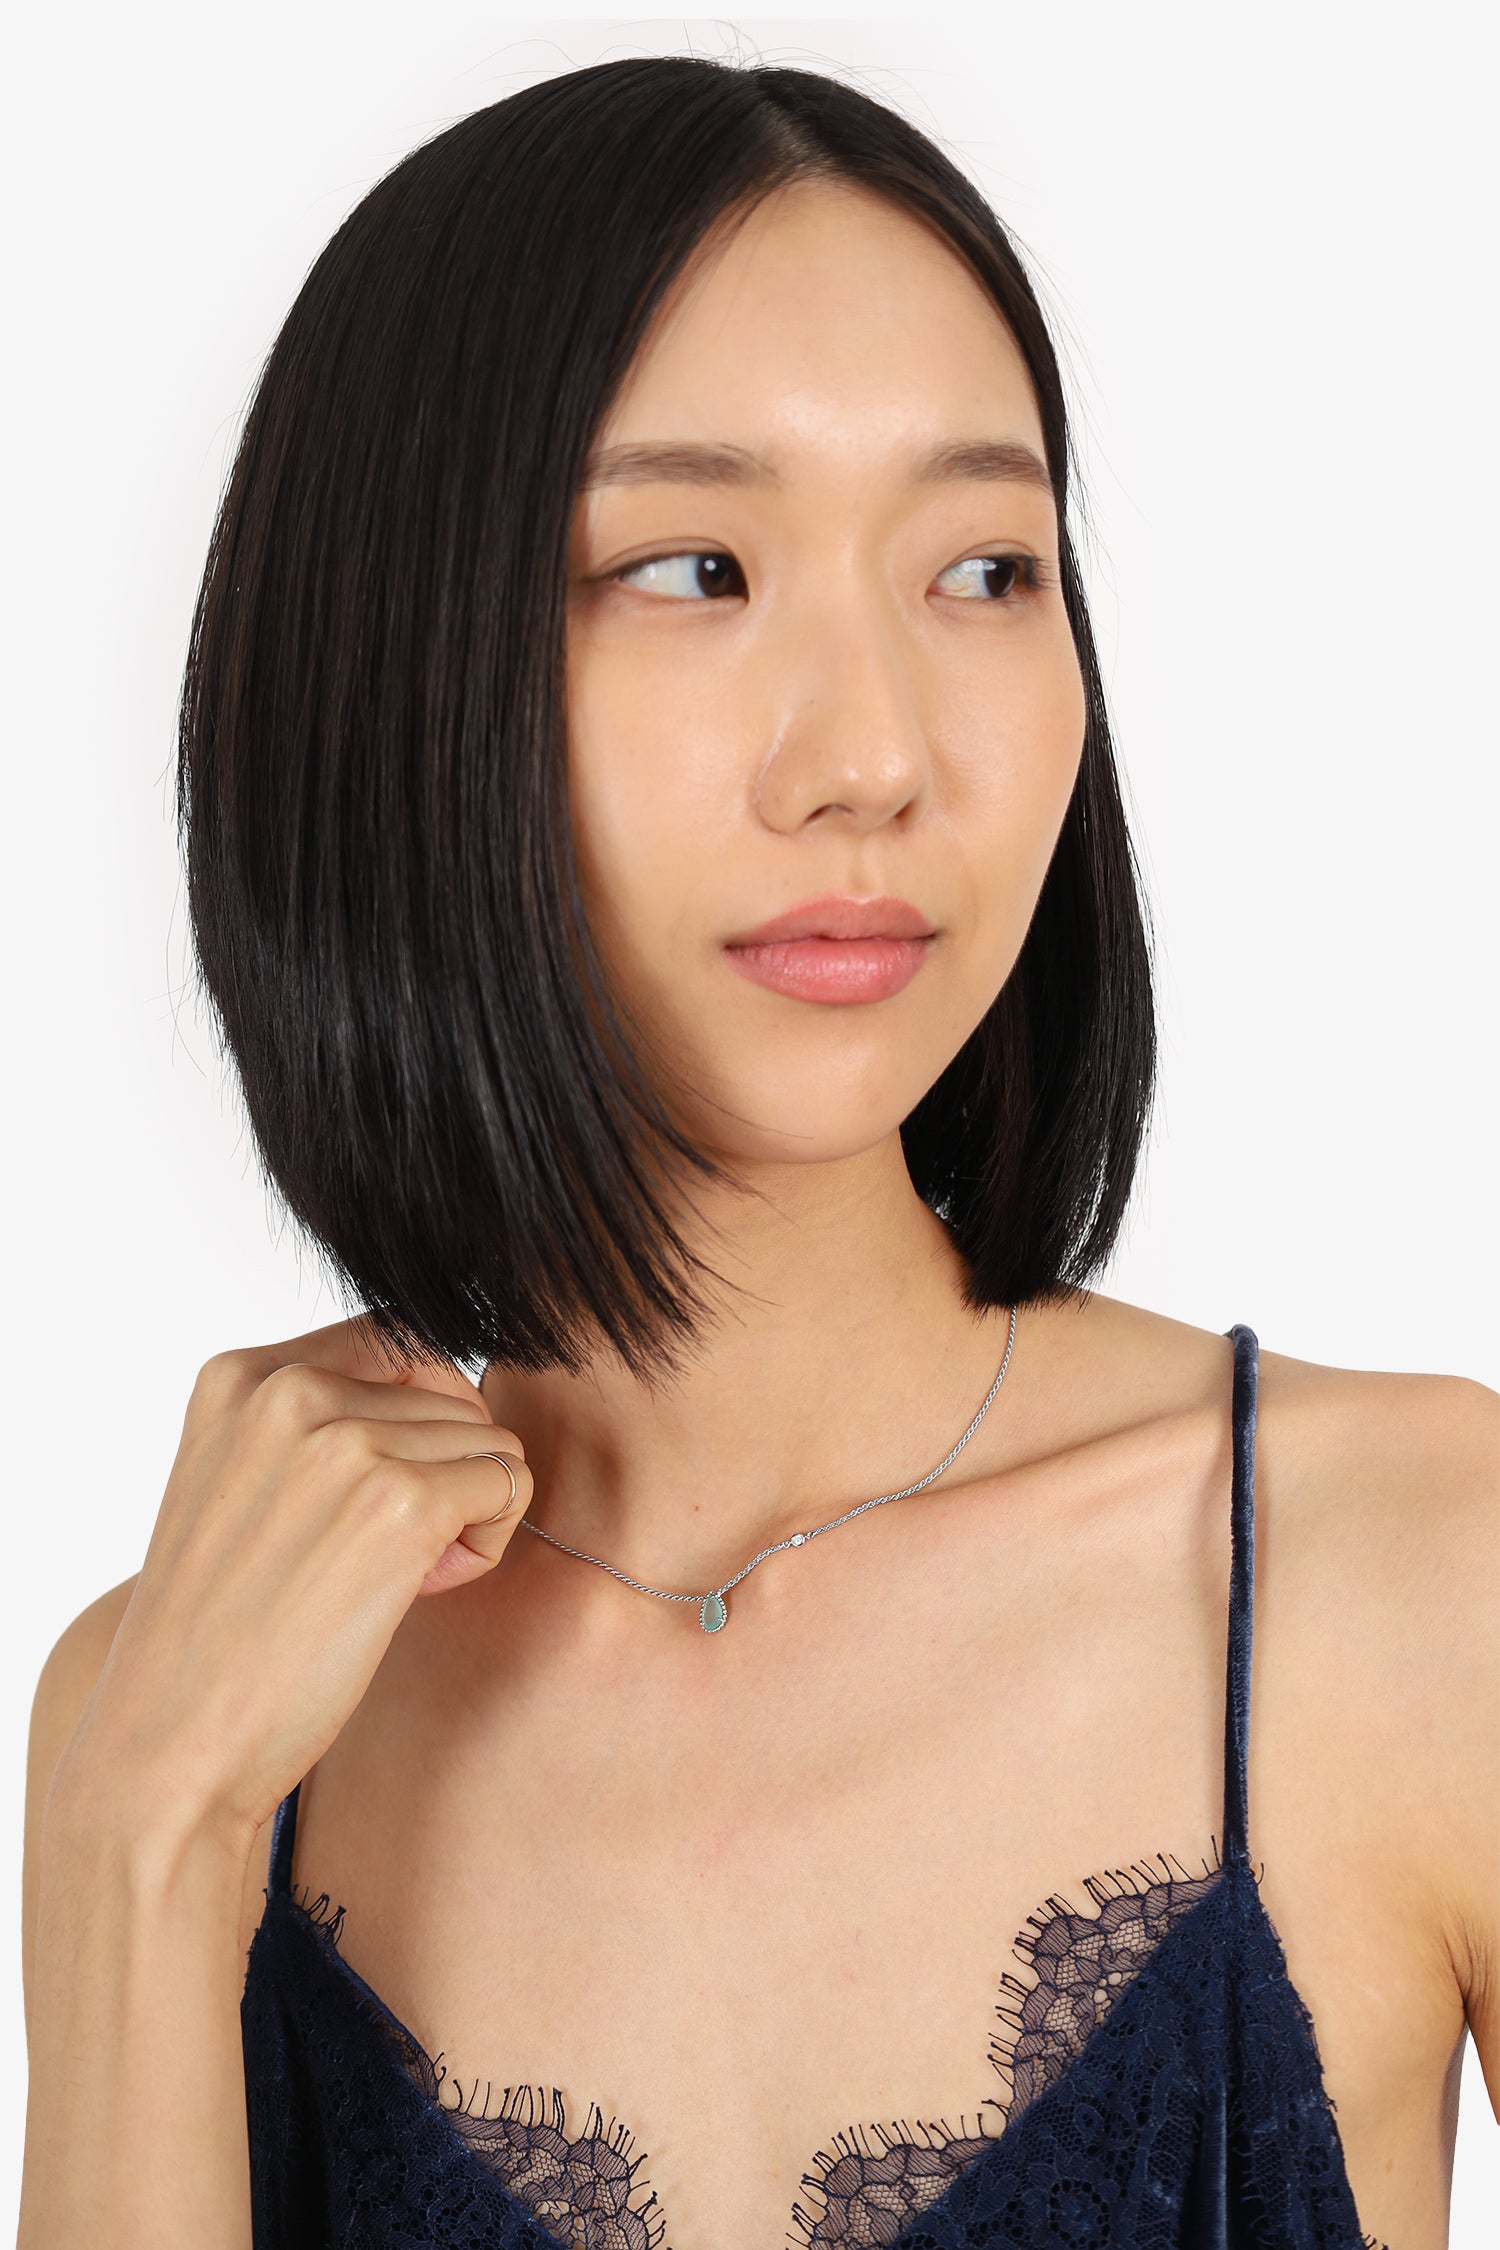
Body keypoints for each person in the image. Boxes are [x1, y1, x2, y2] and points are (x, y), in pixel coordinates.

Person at [17, 55, 1496, 2250]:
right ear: (393, 671)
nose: (875, 754)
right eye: (695, 568)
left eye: (983, 567)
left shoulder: (1425, 1577)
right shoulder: (190, 1702)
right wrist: (143, 1834)